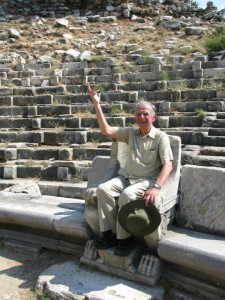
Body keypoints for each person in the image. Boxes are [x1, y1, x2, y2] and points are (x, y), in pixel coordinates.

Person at [87, 83, 173, 256]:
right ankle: (108, 234)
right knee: (103, 189)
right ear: (135, 116)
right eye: (138, 114)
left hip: (145, 180)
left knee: (127, 194)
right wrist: (96, 104)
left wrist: (156, 187)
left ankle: (124, 240)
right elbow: (106, 130)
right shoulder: (130, 133)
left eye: (145, 114)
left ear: (153, 117)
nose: (142, 117)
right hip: (126, 177)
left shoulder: (160, 137)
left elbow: (168, 164)